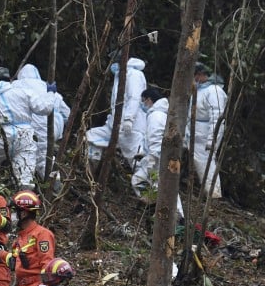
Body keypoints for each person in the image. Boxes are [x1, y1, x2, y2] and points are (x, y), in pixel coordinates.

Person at [0, 67, 64, 188]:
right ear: (9, 80)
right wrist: (51, 92)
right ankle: (32, 201)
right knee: (25, 180)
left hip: (2, 137)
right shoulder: (23, 92)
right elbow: (46, 108)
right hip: (26, 137)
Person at [132, 87, 184, 218]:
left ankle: (175, 217)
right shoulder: (162, 114)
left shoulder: (155, 115)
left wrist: (152, 159)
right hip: (164, 155)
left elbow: (155, 139)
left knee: (164, 187)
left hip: (160, 158)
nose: (143, 104)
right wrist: (144, 153)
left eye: (143, 101)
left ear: (149, 100)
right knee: (138, 180)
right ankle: (155, 206)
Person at [86, 57, 147, 167]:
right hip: (116, 125)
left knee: (136, 160)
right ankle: (91, 173)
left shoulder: (133, 74)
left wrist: (129, 119)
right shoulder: (120, 75)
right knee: (92, 137)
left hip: (131, 127)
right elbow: (117, 104)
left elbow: (134, 98)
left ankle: (145, 182)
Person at [15, 64, 70, 179]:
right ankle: (55, 187)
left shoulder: (17, 86)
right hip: (54, 127)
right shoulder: (47, 86)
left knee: (34, 159)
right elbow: (67, 113)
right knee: (47, 158)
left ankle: (29, 187)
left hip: (34, 129)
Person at [4, 189, 54, 286]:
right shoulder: (21, 237)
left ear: (24, 213)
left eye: (14, 211)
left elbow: (47, 263)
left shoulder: (42, 234)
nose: (12, 215)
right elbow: (16, 260)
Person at [185, 62, 228, 199]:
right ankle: (207, 192)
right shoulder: (199, 90)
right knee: (199, 162)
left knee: (206, 163)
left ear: (200, 75)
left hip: (205, 135)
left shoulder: (214, 91)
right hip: (196, 133)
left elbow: (217, 117)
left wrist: (212, 139)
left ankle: (213, 193)